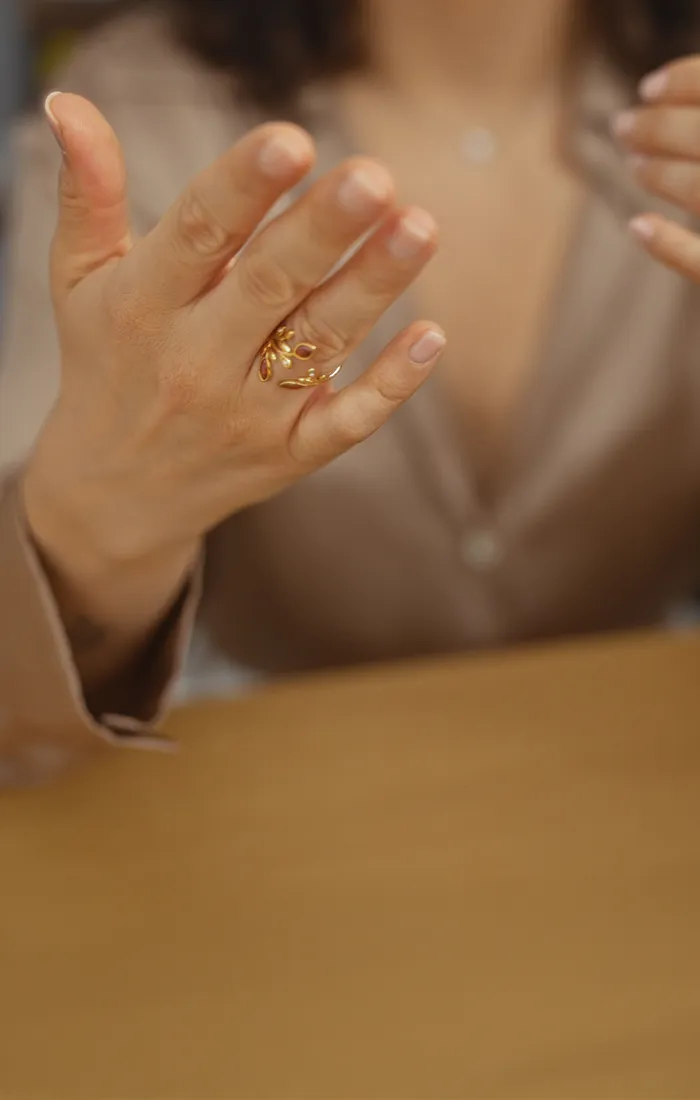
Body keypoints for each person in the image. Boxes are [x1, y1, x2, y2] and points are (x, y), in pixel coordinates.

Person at [1, 0, 700, 784]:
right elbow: (19, 704)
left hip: (641, 791)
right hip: (279, 811)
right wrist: (101, 529)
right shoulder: (153, 104)